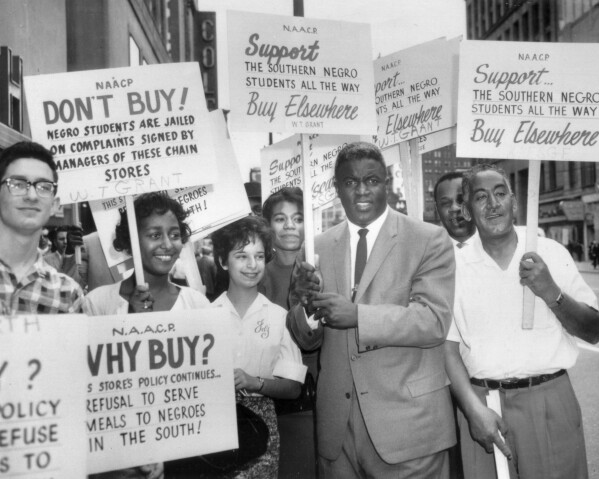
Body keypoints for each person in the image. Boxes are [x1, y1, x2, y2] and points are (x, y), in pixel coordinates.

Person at [287, 141, 456, 478]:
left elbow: (433, 320)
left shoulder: (429, 239)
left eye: (372, 180)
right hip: (338, 434)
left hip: (409, 430)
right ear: (337, 188)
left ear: (387, 182)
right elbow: (304, 340)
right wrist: (307, 307)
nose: (361, 190)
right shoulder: (314, 247)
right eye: (350, 182)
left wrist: (358, 316)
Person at [445, 164, 599, 479]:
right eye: (481, 197)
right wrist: (473, 411)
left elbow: (594, 331)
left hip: (548, 402)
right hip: (482, 408)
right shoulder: (451, 268)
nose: (493, 204)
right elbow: (447, 350)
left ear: (515, 204)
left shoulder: (552, 253)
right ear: (468, 210)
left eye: (501, 194)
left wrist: (552, 293)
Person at [84, 192, 209, 479]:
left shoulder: (198, 305)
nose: (167, 244)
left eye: (175, 234)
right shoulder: (97, 303)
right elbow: (92, 388)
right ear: (129, 242)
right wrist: (131, 326)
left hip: (185, 457)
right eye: (154, 234)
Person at [211, 216, 307, 478]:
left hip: (261, 428)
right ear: (222, 261)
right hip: (213, 424)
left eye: (260, 256)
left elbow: (293, 387)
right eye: (241, 256)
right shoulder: (205, 316)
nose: (252, 265)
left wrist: (255, 382)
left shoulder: (279, 317)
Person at [259, 187, 318, 478]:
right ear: (268, 226)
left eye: (297, 217)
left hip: (324, 396)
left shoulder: (322, 267)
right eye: (280, 219)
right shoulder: (255, 275)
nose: (290, 225)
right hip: (280, 399)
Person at [0, 141, 83, 314]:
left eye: (44, 187)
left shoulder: (68, 294)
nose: (31, 196)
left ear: (54, 205)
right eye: (17, 184)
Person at [434, 171, 476, 247]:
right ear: (437, 210)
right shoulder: (427, 251)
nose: (454, 208)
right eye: (446, 203)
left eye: (461, 199)